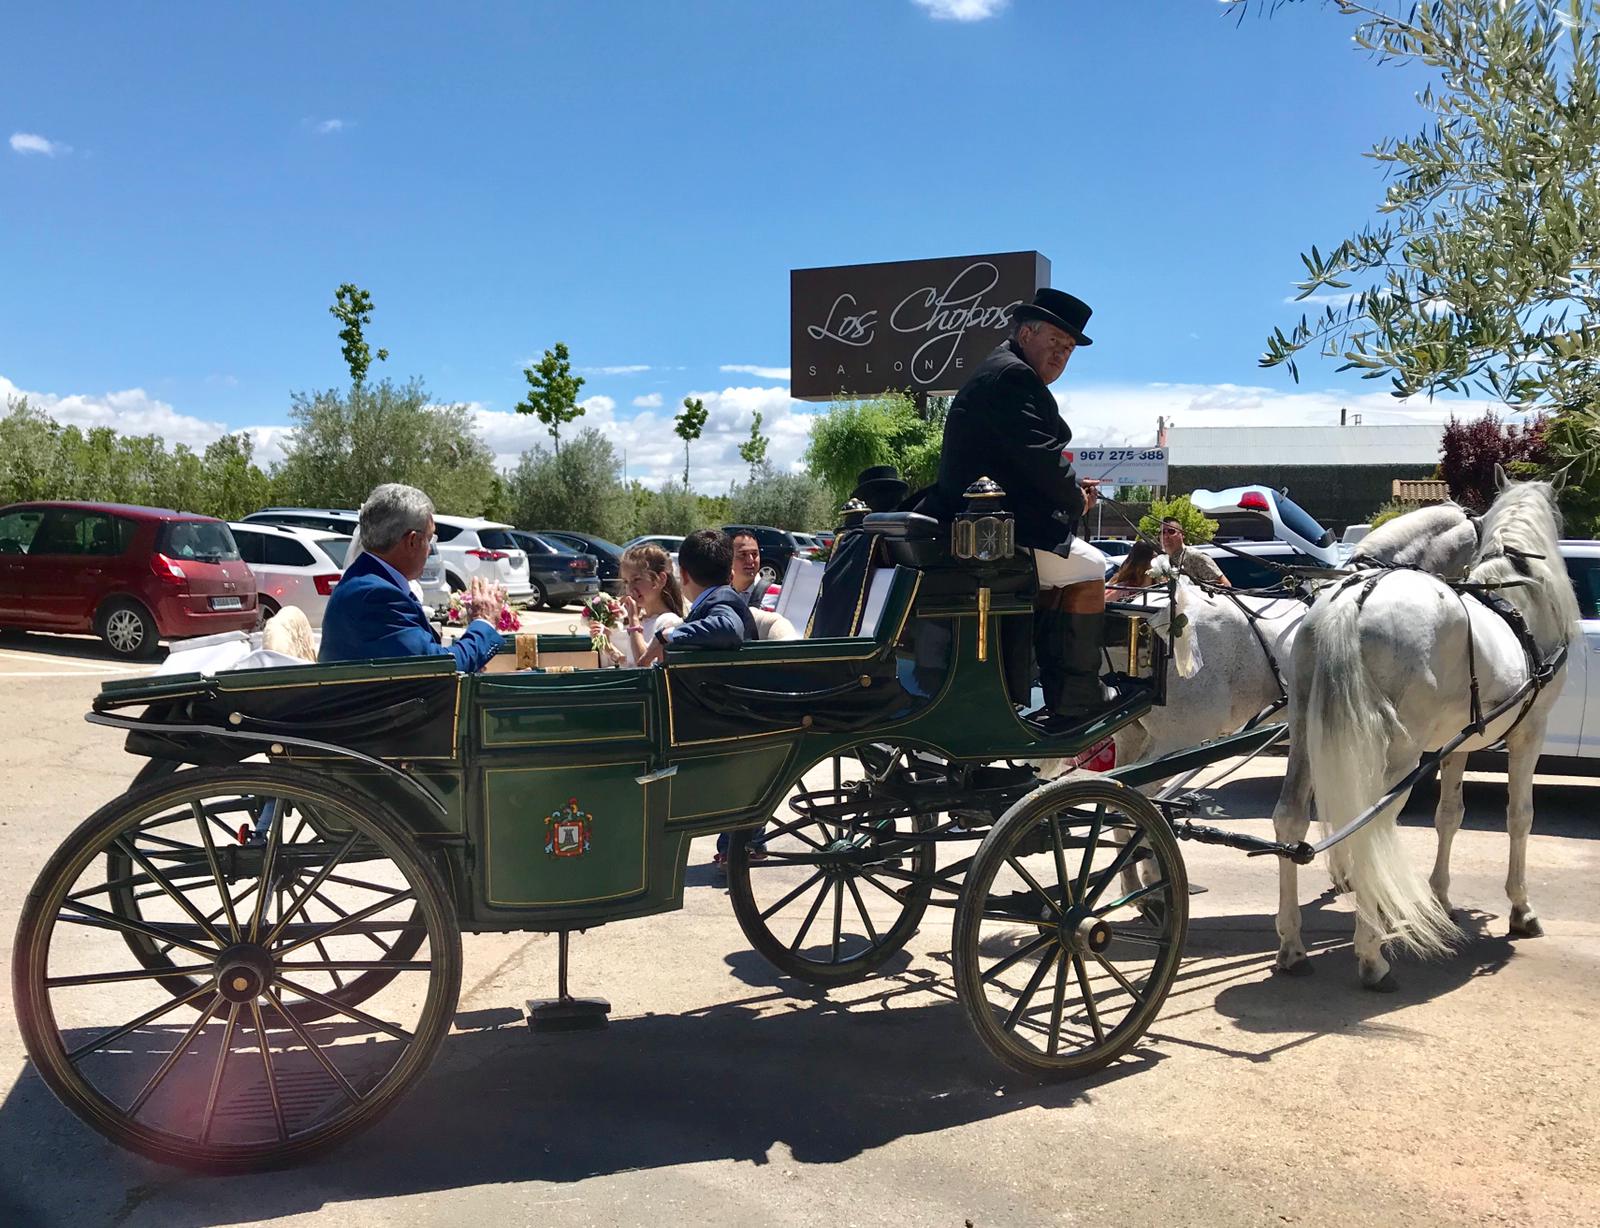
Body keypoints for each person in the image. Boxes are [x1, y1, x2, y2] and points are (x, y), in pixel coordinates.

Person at [918, 287, 1113, 727]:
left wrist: (1069, 489)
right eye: (1055, 342)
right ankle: (1077, 694)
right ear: (1026, 333)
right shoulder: (1014, 377)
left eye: (1069, 349)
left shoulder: (998, 370)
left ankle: (1044, 678)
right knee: (1092, 567)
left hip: (977, 524)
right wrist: (1075, 498)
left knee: (1069, 569)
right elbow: (1040, 460)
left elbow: (1022, 460)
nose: (1061, 355)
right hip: (987, 534)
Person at [320, 483, 506, 671]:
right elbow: (441, 666)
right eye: (430, 539)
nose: (430, 549)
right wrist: (484, 621)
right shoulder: (377, 595)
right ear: (413, 541)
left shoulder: (365, 580)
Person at [637, 528, 756, 666]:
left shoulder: (723, 602)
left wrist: (667, 635)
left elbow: (728, 628)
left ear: (683, 575)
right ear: (731, 575)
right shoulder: (717, 601)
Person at [609, 542, 687, 666]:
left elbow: (645, 665)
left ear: (660, 580)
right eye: (626, 582)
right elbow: (630, 664)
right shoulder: (643, 621)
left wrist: (633, 620)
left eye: (637, 579)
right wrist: (607, 644)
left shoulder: (669, 622)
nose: (630, 589)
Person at [1160, 517, 1230, 587]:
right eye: (1162, 532)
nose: (1166, 536)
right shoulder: (1161, 561)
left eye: (1171, 532)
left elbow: (1225, 586)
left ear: (1182, 534)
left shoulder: (1195, 556)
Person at [729, 531, 774, 607]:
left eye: (754, 554)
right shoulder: (720, 595)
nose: (750, 560)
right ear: (729, 558)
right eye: (743, 554)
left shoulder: (778, 595)